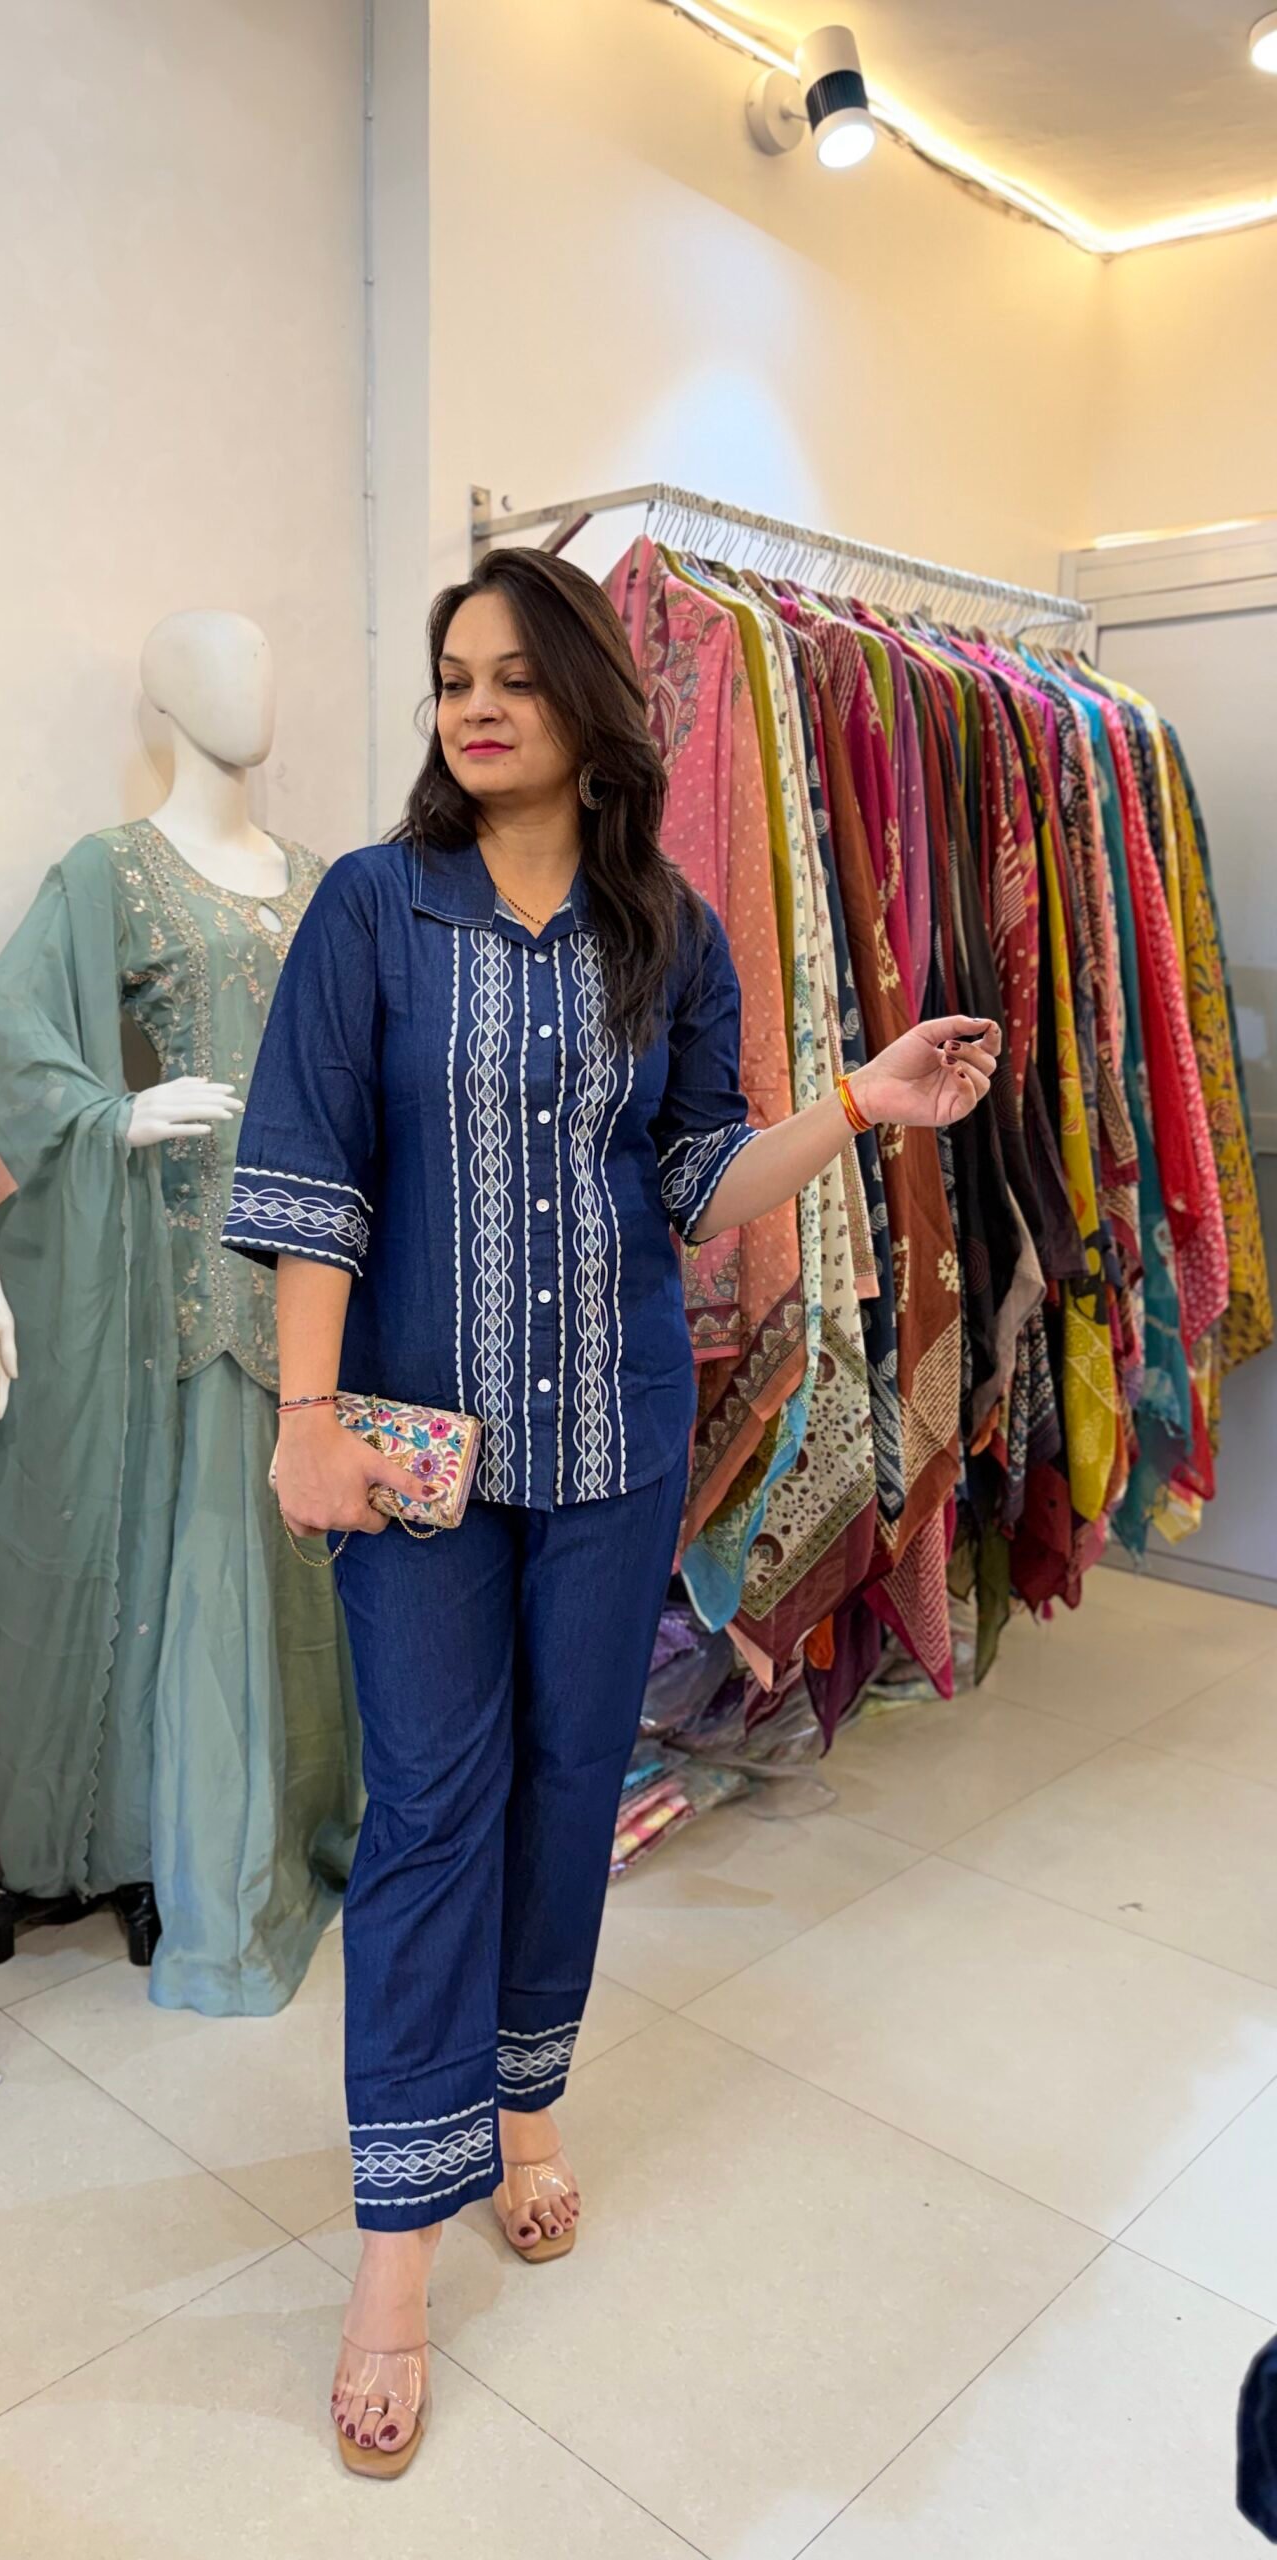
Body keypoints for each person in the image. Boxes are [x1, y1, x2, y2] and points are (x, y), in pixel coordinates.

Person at [221, 548, 999, 2478]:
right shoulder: (374, 908)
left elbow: (699, 1182)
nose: (474, 707)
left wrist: (867, 1103)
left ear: (585, 701)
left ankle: (527, 2101)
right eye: (449, 680)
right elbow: (313, 1169)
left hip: (613, 1444)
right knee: (432, 1809)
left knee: (575, 1784)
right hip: (413, 1459)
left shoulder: (670, 925)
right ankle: (395, 2250)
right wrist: (304, 1418)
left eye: (511, 676)